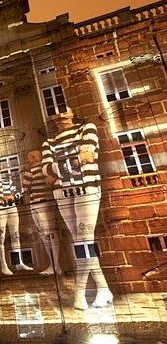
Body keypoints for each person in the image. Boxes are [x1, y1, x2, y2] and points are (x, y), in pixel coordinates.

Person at [41, 109, 111, 309]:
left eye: (64, 109)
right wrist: (76, 160)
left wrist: (59, 168)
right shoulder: (49, 143)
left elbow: (89, 155)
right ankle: (104, 289)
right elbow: (46, 170)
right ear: (52, 117)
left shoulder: (86, 128)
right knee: (81, 240)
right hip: (62, 194)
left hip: (86, 188)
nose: (59, 113)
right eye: (55, 111)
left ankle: (79, 293)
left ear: (72, 112)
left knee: (84, 238)